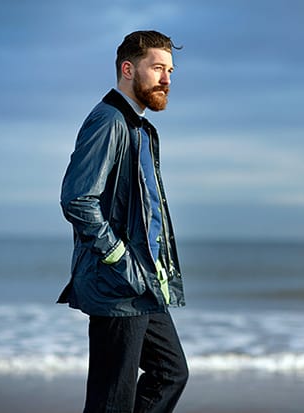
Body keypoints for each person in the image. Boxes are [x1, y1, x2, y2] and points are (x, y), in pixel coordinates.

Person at [57, 30, 188, 413]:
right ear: (128, 69)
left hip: (142, 283)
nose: (166, 79)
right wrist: (118, 257)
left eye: (170, 70)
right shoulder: (109, 121)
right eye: (157, 68)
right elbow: (78, 199)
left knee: (171, 373)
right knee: (110, 399)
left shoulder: (139, 127)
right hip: (118, 284)